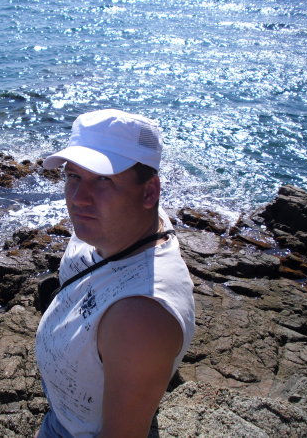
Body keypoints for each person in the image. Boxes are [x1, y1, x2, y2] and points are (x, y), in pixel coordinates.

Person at [35, 109, 195, 437]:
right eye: (73, 176)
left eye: (103, 179)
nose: (78, 199)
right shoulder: (113, 228)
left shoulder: (140, 318)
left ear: (150, 192)